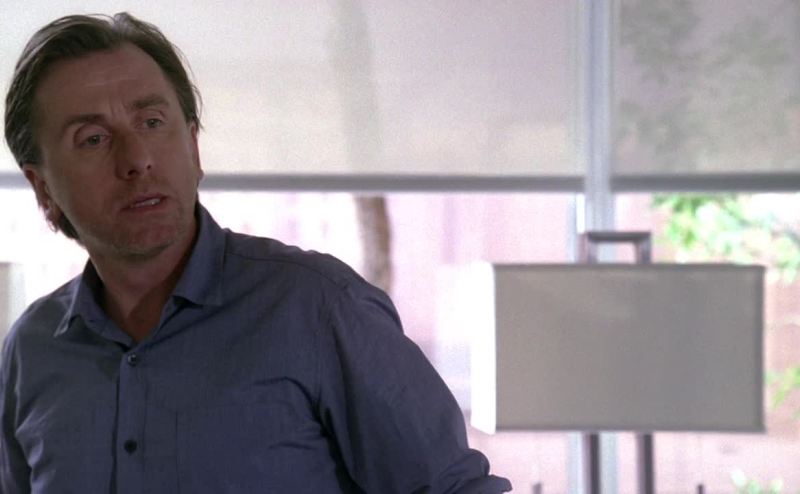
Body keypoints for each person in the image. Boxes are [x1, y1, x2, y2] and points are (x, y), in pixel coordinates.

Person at [0, 12, 512, 494]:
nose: (137, 159)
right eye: (92, 139)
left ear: (194, 147)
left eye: (152, 122)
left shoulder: (316, 307)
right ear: (42, 188)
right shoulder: (30, 352)